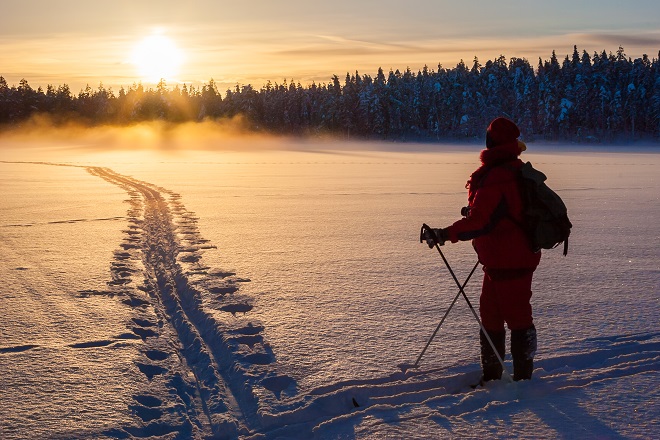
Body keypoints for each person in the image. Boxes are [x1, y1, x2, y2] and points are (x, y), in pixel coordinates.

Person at [423, 117, 540, 382]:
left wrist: (444, 234)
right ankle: (493, 378)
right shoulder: (510, 169)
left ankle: (523, 381)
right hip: (499, 259)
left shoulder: (499, 176)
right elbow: (496, 212)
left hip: (512, 259)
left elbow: (481, 221)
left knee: (517, 317)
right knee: (491, 317)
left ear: (492, 142)